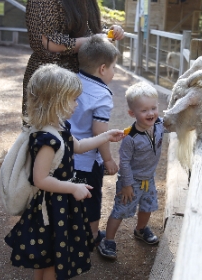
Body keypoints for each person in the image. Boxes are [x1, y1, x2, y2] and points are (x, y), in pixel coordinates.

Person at [4, 64, 125, 280]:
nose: (77, 105)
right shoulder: (47, 140)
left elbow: (77, 146)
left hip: (59, 204)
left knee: (47, 257)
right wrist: (73, 187)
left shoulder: (60, 127)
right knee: (52, 259)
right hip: (51, 208)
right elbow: (40, 179)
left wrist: (105, 137)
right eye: (72, 99)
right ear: (54, 102)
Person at [21, 0, 125, 119]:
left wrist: (107, 34)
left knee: (73, 145)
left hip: (77, 84)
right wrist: (91, 40)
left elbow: (86, 33)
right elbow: (45, 43)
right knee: (46, 142)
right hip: (49, 84)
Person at [97, 82, 164, 260]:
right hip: (131, 180)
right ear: (132, 113)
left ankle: (140, 229)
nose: (151, 113)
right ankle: (108, 240)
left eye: (153, 108)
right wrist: (127, 184)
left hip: (148, 178)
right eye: (144, 110)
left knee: (147, 206)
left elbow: (176, 123)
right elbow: (124, 162)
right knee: (120, 209)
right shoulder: (130, 138)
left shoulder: (159, 125)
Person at [68, 35, 120, 246]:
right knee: (91, 198)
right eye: (114, 67)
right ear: (102, 69)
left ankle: (68, 232)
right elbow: (100, 132)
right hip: (87, 161)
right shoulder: (102, 94)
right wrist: (107, 160)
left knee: (69, 195)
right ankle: (91, 235)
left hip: (65, 155)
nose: (114, 72)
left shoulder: (70, 82)